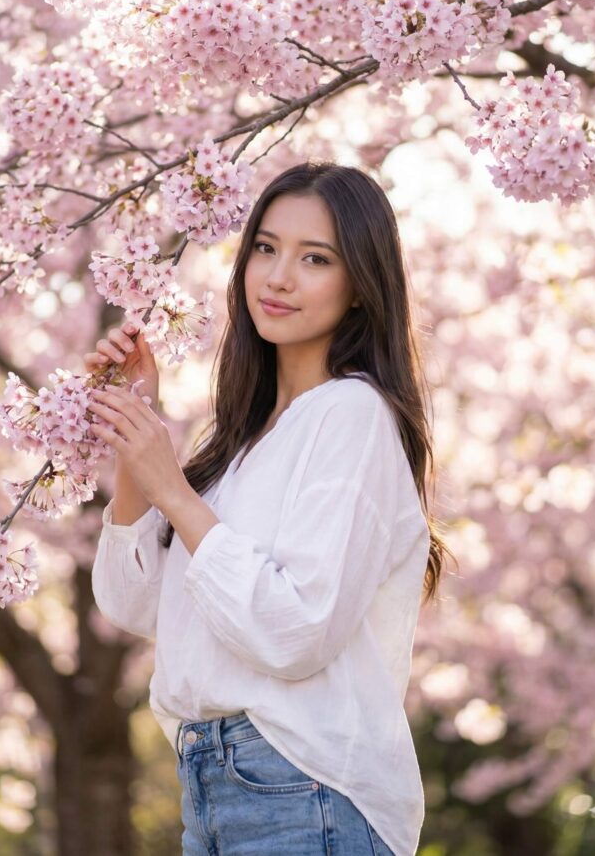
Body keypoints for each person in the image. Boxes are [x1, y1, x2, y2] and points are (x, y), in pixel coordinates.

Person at [87, 161, 456, 855]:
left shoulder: (353, 415)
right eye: (265, 247)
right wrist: (136, 430)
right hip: (210, 787)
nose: (279, 276)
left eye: (315, 258)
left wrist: (172, 489)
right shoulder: (239, 444)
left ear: (358, 287)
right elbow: (131, 603)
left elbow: (296, 630)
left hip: (305, 786)